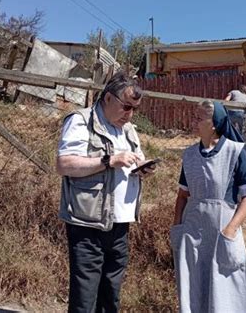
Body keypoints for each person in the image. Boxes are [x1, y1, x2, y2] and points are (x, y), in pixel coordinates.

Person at [56, 71, 156, 313]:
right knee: (85, 298)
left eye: (134, 109)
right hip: (87, 224)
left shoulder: (129, 130)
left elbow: (127, 166)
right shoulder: (81, 121)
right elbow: (64, 164)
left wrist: (141, 170)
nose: (130, 114)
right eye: (126, 107)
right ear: (108, 98)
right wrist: (109, 160)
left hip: (121, 224)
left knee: (111, 295)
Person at [170, 100, 246, 313]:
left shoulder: (235, 152)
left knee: (225, 294)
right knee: (194, 290)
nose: (194, 121)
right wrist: (177, 228)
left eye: (200, 118)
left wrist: (231, 229)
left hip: (222, 233)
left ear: (214, 123)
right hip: (192, 234)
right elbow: (183, 195)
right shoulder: (189, 155)